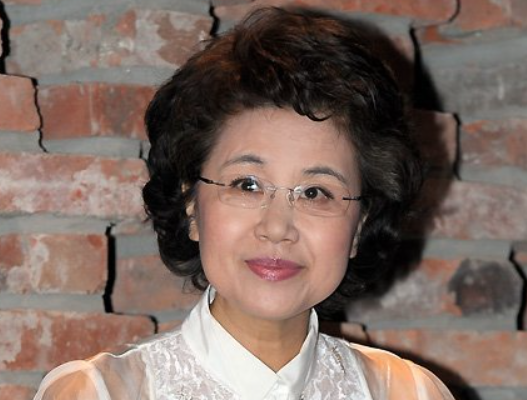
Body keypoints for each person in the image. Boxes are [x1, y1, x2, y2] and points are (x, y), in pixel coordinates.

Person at [34, 6, 455, 400]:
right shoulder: (100, 392)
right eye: (247, 185)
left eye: (315, 192)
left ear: (359, 227)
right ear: (191, 205)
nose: (277, 228)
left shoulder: (409, 393)